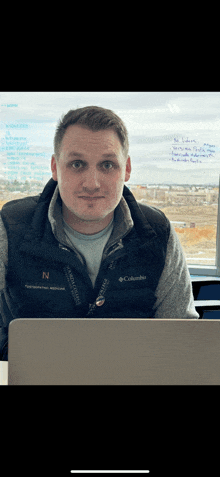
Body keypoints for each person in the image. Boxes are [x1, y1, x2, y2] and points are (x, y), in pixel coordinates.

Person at [0, 106, 199, 360]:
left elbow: (184, 340)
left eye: (107, 165)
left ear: (126, 169)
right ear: (54, 167)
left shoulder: (158, 234)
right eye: (77, 164)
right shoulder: (10, 226)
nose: (92, 183)